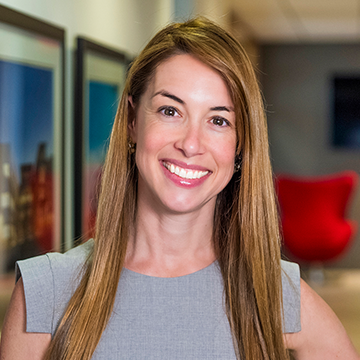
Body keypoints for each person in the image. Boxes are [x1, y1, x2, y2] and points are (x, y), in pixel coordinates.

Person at [0, 17, 359, 360]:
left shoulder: (276, 295)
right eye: (171, 111)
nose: (191, 143)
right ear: (131, 121)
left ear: (240, 145)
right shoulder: (44, 292)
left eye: (218, 120)